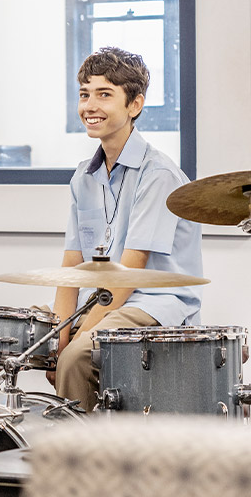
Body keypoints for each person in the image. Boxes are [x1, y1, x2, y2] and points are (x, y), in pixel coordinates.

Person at [48, 46, 203, 412]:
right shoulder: (83, 176)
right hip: (99, 301)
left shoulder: (158, 174)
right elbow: (71, 265)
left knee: (75, 358)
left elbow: (130, 271)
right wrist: (56, 332)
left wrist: (75, 339)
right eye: (85, 95)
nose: (90, 106)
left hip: (154, 305)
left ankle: (80, 464)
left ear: (134, 105)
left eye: (104, 95)